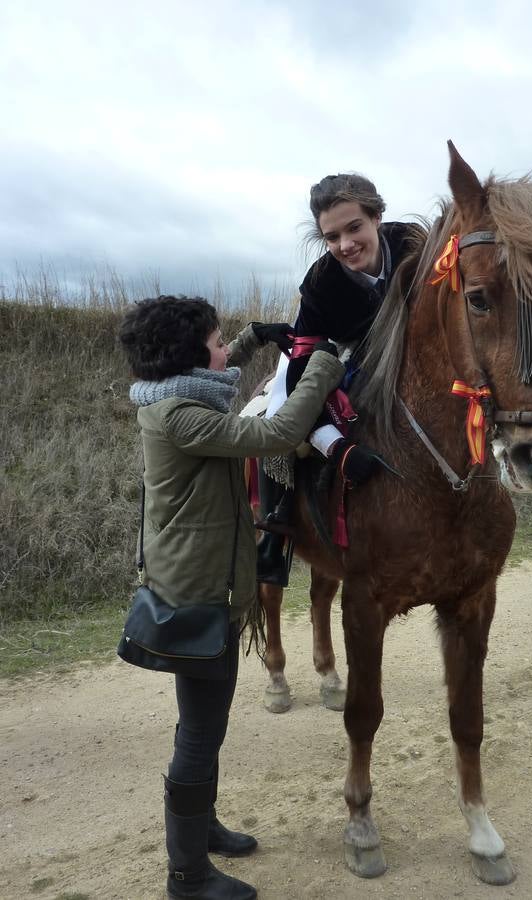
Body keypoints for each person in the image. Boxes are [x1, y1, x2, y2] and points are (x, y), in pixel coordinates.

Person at [118, 295, 344, 900]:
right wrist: (324, 366)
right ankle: (187, 876)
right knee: (200, 732)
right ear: (189, 356)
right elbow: (278, 432)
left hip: (194, 582)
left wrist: (251, 338)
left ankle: (203, 828)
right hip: (196, 596)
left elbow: (219, 377)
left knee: (205, 725)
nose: (225, 352)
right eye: (217, 343)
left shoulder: (174, 395)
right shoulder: (182, 417)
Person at [257, 173, 423, 583]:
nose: (345, 245)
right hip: (331, 351)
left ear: (377, 217)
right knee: (279, 416)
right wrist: (338, 448)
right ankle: (276, 530)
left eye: (354, 228)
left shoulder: (415, 243)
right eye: (332, 237)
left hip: (408, 347)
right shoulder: (319, 284)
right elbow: (302, 370)